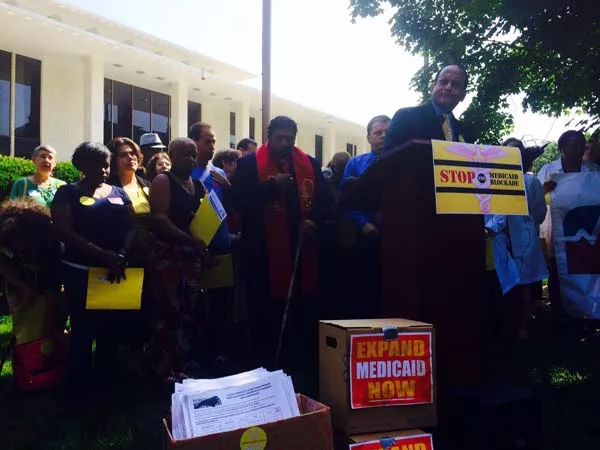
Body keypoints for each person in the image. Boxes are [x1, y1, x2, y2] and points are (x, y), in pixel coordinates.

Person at [230, 116, 332, 394]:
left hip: (302, 250)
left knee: (300, 309)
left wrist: (316, 221)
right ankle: (265, 366)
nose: (285, 144)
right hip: (263, 253)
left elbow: (326, 201)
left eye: (290, 139)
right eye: (280, 138)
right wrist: (272, 187)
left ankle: (299, 366)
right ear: (269, 136)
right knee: (265, 312)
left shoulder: (309, 163)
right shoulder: (250, 164)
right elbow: (238, 201)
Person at [51, 142, 136, 404]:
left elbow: (133, 227)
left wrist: (121, 254)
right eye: (98, 164)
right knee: (83, 331)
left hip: (114, 271)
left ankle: (107, 385)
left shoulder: (119, 193)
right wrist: (102, 255)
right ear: (82, 165)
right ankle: (77, 392)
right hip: (80, 272)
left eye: (107, 163)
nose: (104, 169)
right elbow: (64, 231)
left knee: (110, 330)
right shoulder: (68, 193)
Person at [148, 137, 211, 382]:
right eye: (185, 154)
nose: (191, 159)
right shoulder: (163, 181)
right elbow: (160, 219)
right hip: (168, 255)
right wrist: (189, 240)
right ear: (172, 155)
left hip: (191, 257)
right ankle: (163, 367)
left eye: (193, 154)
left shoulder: (197, 184)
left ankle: (181, 364)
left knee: (188, 312)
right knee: (167, 312)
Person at [0, 199, 67, 391]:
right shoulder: (8, 239)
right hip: (21, 286)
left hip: (49, 284)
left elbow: (55, 291)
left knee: (51, 326)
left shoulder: (52, 245)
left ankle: (51, 366)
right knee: (24, 331)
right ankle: (26, 370)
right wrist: (22, 287)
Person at [485, 138, 548, 340]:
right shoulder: (491, 180)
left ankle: (522, 327)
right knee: (506, 285)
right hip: (500, 240)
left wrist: (528, 225)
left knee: (525, 285)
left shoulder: (530, 181)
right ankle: (507, 325)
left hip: (524, 238)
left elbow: (539, 211)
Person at [384, 64, 473, 150]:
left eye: (455, 84)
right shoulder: (406, 117)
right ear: (432, 88)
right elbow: (387, 161)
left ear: (463, 95)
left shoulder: (466, 132)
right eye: (443, 82)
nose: (448, 87)